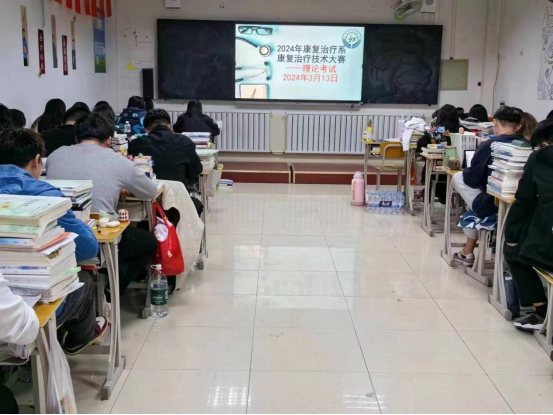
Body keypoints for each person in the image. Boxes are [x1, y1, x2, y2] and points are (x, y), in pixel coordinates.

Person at [0, 128, 107, 355]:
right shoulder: (46, 195)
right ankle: (80, 338)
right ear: (37, 161)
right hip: (28, 307)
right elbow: (88, 249)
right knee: (84, 281)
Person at [46, 113, 159, 295]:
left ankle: (108, 277)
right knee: (148, 242)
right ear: (109, 140)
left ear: (76, 137)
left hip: (57, 237)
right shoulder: (118, 161)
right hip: (100, 239)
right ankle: (113, 290)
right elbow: (150, 192)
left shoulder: (55, 155)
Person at [452, 106, 524, 266]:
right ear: (519, 126)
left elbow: (471, 180)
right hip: (520, 203)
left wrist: (467, 171)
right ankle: (467, 251)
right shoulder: (527, 147)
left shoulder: (489, 145)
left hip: (492, 204)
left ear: (495, 122)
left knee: (458, 177)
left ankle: (469, 249)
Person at [505, 119, 553, 332]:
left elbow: (524, 200)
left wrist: (511, 236)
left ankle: (541, 311)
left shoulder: (540, 159)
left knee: (514, 252)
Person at [129, 109, 204, 215]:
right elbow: (196, 171)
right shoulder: (185, 142)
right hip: (178, 207)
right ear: (170, 127)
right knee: (196, 204)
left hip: (147, 208)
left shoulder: (136, 144)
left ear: (147, 130)